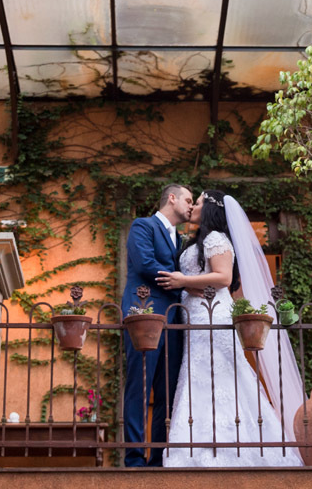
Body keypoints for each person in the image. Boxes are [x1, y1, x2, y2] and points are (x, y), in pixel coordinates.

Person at [155, 190, 304, 467]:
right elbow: (202, 277)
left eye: (197, 202)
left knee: (224, 374)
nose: (192, 207)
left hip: (213, 315)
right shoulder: (197, 240)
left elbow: (223, 277)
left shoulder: (215, 238)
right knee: (198, 373)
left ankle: (236, 447)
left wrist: (181, 280)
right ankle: (196, 446)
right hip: (197, 316)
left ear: (209, 209)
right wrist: (187, 284)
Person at [120, 183, 191, 467]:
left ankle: (159, 458)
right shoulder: (143, 225)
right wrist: (181, 284)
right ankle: (135, 458)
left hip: (174, 319)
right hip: (145, 311)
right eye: (187, 199)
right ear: (171, 199)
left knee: (167, 389)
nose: (190, 205)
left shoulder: (181, 239)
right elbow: (145, 264)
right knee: (140, 385)